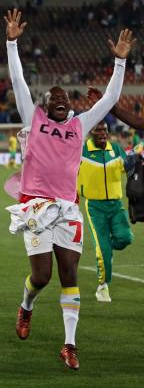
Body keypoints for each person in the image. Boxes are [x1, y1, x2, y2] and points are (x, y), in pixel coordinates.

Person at [4, 8, 133, 370]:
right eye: (52, 98)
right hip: (35, 206)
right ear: (44, 106)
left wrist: (119, 63)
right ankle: (26, 305)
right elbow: (18, 82)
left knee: (70, 274)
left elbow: (108, 100)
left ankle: (69, 345)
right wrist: (12, 43)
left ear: (71, 105)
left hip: (68, 208)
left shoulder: (80, 125)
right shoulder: (33, 118)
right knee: (42, 276)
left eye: (64, 98)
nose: (59, 100)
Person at [77, 120, 134, 302]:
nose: (102, 133)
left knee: (125, 238)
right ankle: (102, 286)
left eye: (105, 130)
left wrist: (134, 160)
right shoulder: (82, 152)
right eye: (98, 130)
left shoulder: (116, 150)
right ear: (91, 133)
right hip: (95, 207)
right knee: (102, 250)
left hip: (116, 205)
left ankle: (107, 246)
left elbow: (129, 168)